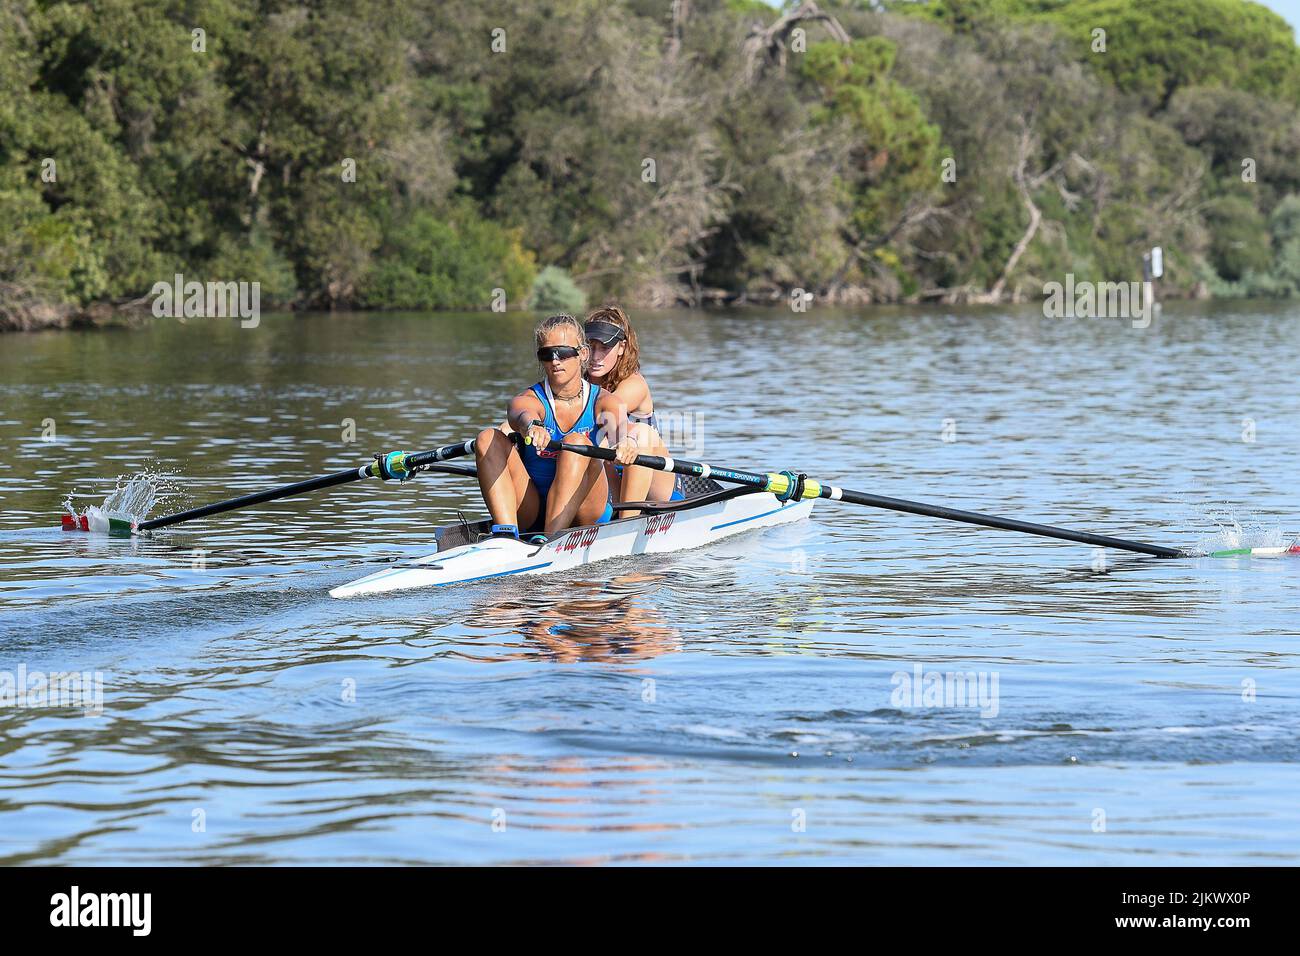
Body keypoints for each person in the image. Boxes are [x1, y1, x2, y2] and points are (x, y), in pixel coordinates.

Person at [474, 313, 637, 540]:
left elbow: (618, 423)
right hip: (533, 508)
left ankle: (550, 540)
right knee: (486, 438)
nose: (555, 361)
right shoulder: (531, 398)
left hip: (586, 510)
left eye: (563, 352)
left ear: (582, 354)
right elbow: (520, 413)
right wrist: (532, 425)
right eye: (547, 354)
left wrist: (625, 443)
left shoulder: (604, 400)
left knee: (575, 443)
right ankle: (506, 537)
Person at [582, 305, 684, 513]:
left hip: (657, 489)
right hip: (610, 477)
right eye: (590, 347)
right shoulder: (579, 383)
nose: (595, 357)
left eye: (604, 348)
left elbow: (603, 413)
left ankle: (626, 521)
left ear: (621, 348)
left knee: (638, 435)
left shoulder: (634, 384)